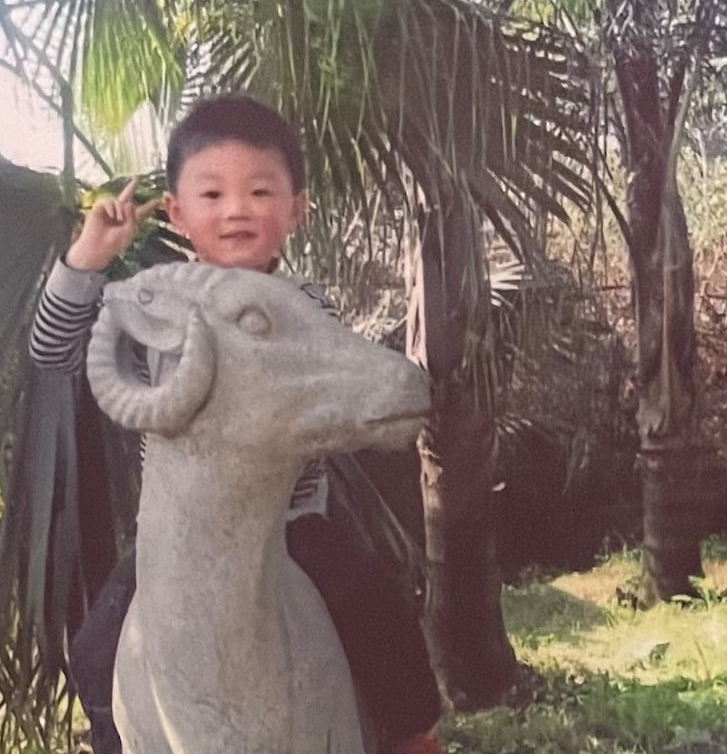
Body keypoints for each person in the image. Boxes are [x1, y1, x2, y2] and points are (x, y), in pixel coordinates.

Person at [29, 95, 440, 754]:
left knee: (370, 599)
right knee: (97, 643)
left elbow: (326, 384)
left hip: (293, 520)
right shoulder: (156, 305)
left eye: (260, 190)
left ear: (296, 209)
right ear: (178, 213)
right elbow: (53, 352)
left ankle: (412, 736)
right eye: (213, 193)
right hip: (183, 537)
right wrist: (88, 262)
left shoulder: (304, 305)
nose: (237, 208)